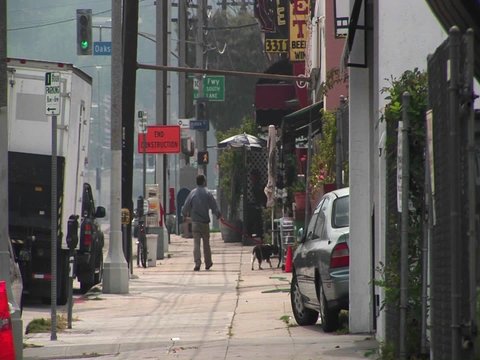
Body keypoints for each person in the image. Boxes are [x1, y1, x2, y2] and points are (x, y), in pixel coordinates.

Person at [181, 174, 221, 271]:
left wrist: (184, 214)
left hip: (195, 223)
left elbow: (186, 206)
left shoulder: (192, 193)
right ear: (203, 182)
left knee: (196, 243)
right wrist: (218, 214)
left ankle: (197, 263)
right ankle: (208, 263)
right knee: (206, 244)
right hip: (204, 223)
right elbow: (213, 205)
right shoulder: (208, 193)